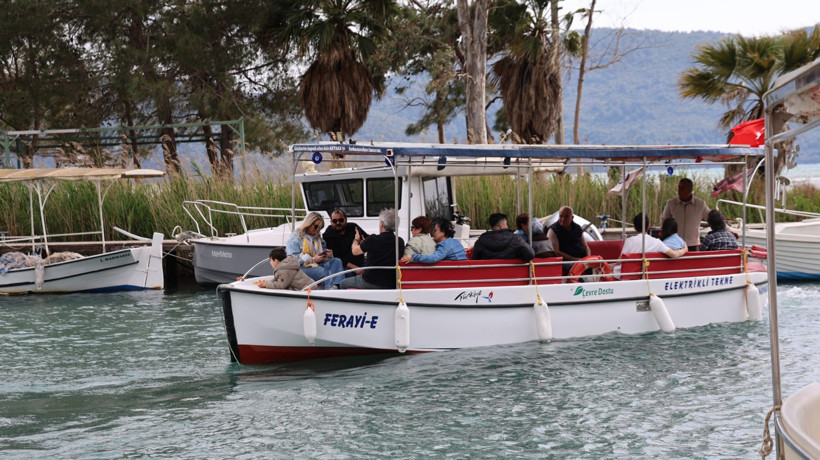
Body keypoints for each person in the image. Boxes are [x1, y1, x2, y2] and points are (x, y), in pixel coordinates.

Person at [341, 208, 405, 289]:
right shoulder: (400, 241)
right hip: (391, 282)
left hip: (371, 281)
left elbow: (355, 251)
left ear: (381, 224)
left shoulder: (373, 239)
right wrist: (365, 244)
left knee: (343, 283)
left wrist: (356, 239)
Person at [285, 211, 345, 289]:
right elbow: (292, 259)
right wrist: (312, 259)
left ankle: (336, 286)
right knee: (327, 273)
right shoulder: (296, 237)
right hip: (302, 267)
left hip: (318, 264)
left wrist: (327, 255)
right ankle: (333, 289)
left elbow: (322, 251)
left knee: (337, 261)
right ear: (309, 224)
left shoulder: (318, 237)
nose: (317, 230)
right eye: (316, 226)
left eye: (320, 228)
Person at [661, 178, 710, 251]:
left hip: (693, 244)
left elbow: (711, 218)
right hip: (674, 244)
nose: (679, 190)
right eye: (679, 187)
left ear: (690, 190)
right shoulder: (671, 203)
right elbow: (664, 221)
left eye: (682, 188)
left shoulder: (700, 204)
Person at [400, 217, 467, 264]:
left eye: (435, 231)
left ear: (442, 233)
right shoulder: (455, 242)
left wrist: (413, 257)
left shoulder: (445, 245)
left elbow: (434, 258)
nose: (433, 233)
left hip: (454, 272)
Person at [620, 214, 688, 258]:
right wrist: (685, 249)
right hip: (648, 274)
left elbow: (621, 260)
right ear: (648, 226)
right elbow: (675, 255)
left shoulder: (629, 241)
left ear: (634, 227)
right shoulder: (657, 242)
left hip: (629, 274)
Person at [323, 209, 368, 275]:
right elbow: (336, 256)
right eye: (335, 221)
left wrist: (364, 243)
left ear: (345, 219)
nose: (338, 223)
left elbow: (368, 239)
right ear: (331, 222)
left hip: (361, 263)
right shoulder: (328, 235)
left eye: (341, 220)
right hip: (344, 267)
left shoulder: (353, 227)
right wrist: (356, 269)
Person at [547, 206, 591, 274]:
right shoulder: (553, 230)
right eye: (561, 216)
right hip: (566, 262)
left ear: (572, 217)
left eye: (566, 216)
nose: (563, 219)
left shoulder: (578, 228)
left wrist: (588, 258)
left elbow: (586, 246)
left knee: (596, 266)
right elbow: (556, 252)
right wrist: (574, 260)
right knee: (574, 268)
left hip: (581, 259)